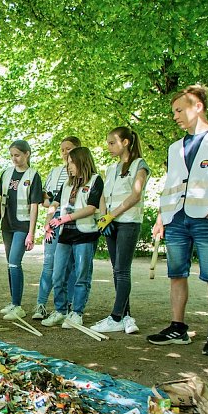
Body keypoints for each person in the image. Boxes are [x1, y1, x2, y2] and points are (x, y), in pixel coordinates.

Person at [148, 85, 208, 355]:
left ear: (197, 106)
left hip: (207, 218)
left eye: (179, 110)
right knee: (176, 275)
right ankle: (178, 327)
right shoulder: (174, 147)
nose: (175, 116)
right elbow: (170, 185)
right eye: (173, 111)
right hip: (176, 218)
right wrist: (160, 218)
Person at [90, 127, 150, 334]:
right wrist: (103, 219)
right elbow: (104, 196)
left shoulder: (139, 165)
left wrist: (111, 216)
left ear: (125, 142)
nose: (108, 147)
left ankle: (115, 317)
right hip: (111, 223)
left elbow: (135, 196)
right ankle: (125, 316)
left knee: (122, 271)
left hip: (128, 223)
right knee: (116, 270)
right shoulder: (111, 168)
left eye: (112, 143)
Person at [41, 147, 103, 328]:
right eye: (68, 163)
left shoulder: (95, 180)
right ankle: (60, 310)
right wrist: (48, 221)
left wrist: (65, 218)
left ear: (81, 161)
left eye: (71, 162)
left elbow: (92, 207)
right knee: (58, 275)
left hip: (85, 234)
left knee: (82, 276)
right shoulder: (67, 184)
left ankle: (77, 312)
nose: (69, 167)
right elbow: (54, 203)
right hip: (65, 235)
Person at [0, 140, 43, 321]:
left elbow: (35, 205)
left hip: (23, 224)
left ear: (27, 154)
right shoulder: (6, 174)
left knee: (14, 262)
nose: (14, 158)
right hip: (7, 224)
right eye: (12, 155)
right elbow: (1, 201)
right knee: (9, 264)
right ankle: (13, 302)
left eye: (17, 155)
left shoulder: (33, 175)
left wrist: (31, 232)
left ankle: (18, 306)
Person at [32, 136, 80, 320]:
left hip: (74, 220)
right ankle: (41, 304)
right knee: (49, 262)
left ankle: (68, 305)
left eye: (69, 148)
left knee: (70, 265)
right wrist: (49, 217)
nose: (65, 152)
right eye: (62, 149)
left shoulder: (83, 173)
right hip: (54, 218)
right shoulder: (54, 171)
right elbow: (46, 197)